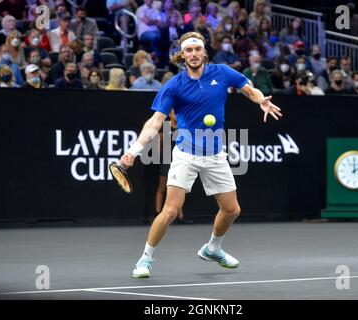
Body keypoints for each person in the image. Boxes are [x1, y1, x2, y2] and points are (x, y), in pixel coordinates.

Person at [119, 32, 282, 278]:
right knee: (171, 210)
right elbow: (155, 122)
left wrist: (261, 101)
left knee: (232, 210)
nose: (193, 54)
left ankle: (213, 248)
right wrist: (133, 151)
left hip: (215, 154)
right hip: (186, 153)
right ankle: (144, 259)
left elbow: (249, 89)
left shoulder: (222, 72)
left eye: (197, 49)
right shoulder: (174, 85)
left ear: (204, 52)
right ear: (182, 55)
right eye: (189, 51)